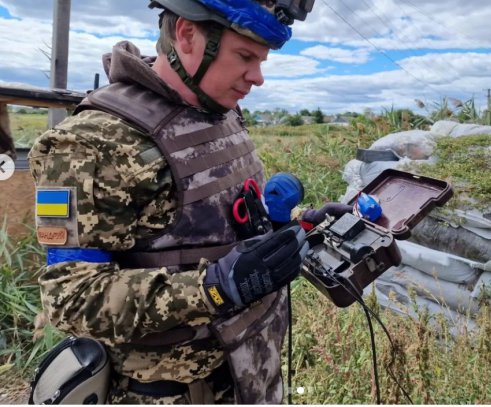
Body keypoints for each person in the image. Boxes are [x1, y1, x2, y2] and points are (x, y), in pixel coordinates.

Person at [28, 0, 320, 404]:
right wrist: (214, 290)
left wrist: (288, 230)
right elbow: (71, 298)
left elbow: (215, 228)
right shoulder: (91, 143)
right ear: (187, 34)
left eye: (262, 60)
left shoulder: (221, 112)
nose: (258, 77)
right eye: (245, 56)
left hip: (250, 376)